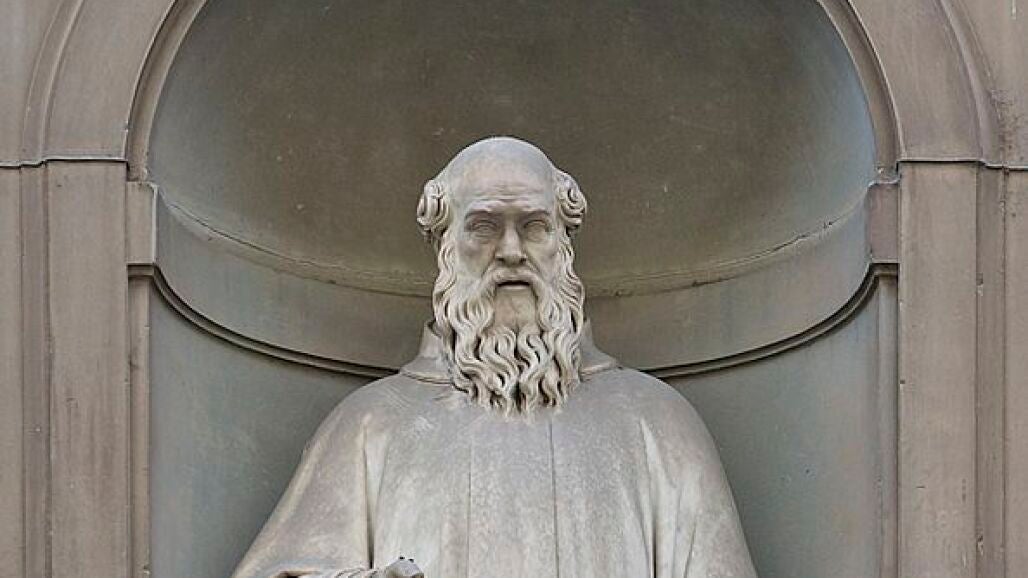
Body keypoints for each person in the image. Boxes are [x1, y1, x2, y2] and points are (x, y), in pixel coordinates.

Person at [231, 137, 757, 578]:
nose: (510, 251)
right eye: (484, 226)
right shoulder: (370, 426)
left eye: (534, 226)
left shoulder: (657, 422)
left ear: (563, 243)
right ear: (445, 244)